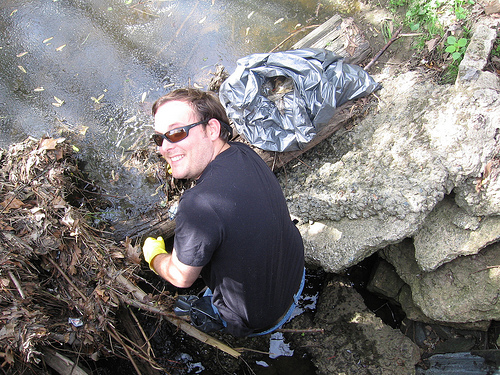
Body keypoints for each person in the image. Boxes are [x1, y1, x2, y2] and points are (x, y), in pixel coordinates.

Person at [142, 88, 304, 337]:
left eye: (176, 133)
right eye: (158, 139)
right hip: (296, 277)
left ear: (213, 129)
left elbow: (181, 277)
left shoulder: (197, 204)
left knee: (192, 298)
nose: (163, 148)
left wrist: (154, 257)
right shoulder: (243, 153)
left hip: (261, 319)